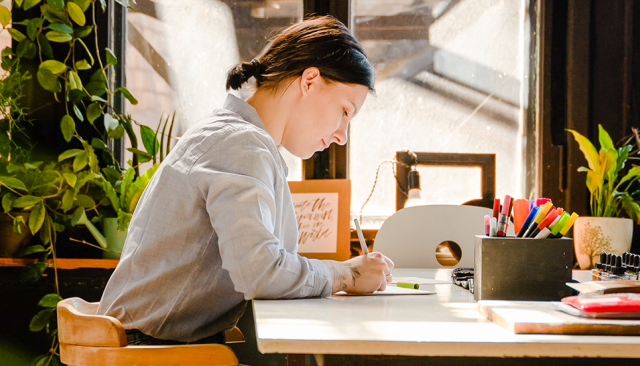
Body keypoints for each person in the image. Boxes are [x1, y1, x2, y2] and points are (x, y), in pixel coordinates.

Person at [97, 15, 394, 346]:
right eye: (344, 112)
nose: (342, 136)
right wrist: (348, 275)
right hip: (151, 352)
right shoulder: (241, 145)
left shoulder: (236, 136)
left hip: (156, 344)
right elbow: (261, 272)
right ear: (309, 81)